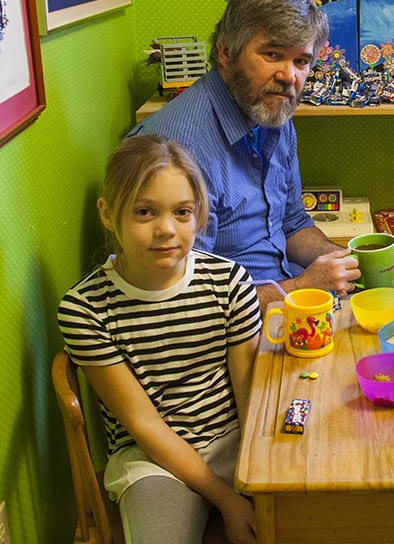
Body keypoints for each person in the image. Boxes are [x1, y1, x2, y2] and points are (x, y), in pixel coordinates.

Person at [129, 0, 394, 311]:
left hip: (287, 280)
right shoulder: (176, 154)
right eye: (272, 55)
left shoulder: (270, 112)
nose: (289, 76)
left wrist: (351, 265)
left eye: (301, 61)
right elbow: (181, 300)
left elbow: (292, 224)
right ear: (225, 52)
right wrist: (301, 287)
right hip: (244, 326)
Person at [57, 135, 262, 544]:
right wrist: (227, 499)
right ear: (108, 214)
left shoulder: (229, 283)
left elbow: (250, 397)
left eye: (182, 212)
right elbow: (143, 424)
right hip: (152, 461)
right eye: (144, 212)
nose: (166, 229)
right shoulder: (85, 309)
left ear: (198, 214)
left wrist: (254, 478)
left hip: (238, 443)